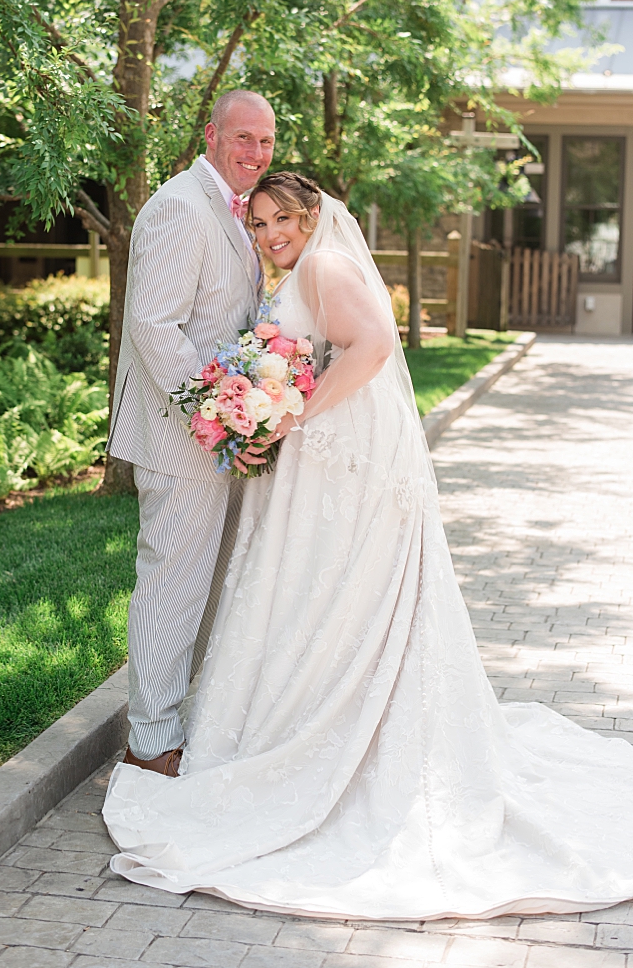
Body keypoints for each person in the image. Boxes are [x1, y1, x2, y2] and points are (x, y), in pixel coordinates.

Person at [101, 172, 633, 918]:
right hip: (329, 459)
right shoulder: (305, 267)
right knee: (327, 603)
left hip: (340, 463)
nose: (269, 235)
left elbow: (376, 345)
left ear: (313, 215)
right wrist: (267, 400)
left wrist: (293, 416)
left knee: (332, 599)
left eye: (280, 218)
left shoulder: (320, 264)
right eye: (256, 224)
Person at [105, 90, 274, 776]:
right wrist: (218, 413)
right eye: (242, 138)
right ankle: (148, 745)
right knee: (170, 587)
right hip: (184, 440)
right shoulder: (180, 205)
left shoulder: (232, 213)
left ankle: (173, 720)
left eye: (265, 142)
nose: (254, 154)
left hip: (217, 440)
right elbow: (153, 325)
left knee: (198, 591)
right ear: (211, 134)